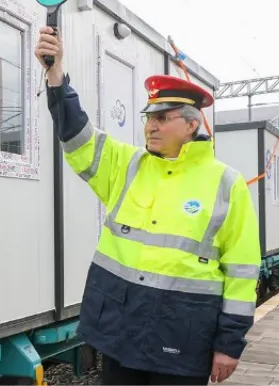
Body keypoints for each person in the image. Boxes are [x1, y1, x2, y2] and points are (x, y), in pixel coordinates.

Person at [35, 26, 261, 386]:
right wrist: (55, 74)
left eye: (162, 118)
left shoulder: (226, 184)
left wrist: (230, 345)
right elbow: (77, 136)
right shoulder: (127, 166)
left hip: (183, 342)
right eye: (148, 117)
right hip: (121, 332)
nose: (151, 127)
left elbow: (242, 271)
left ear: (191, 125)